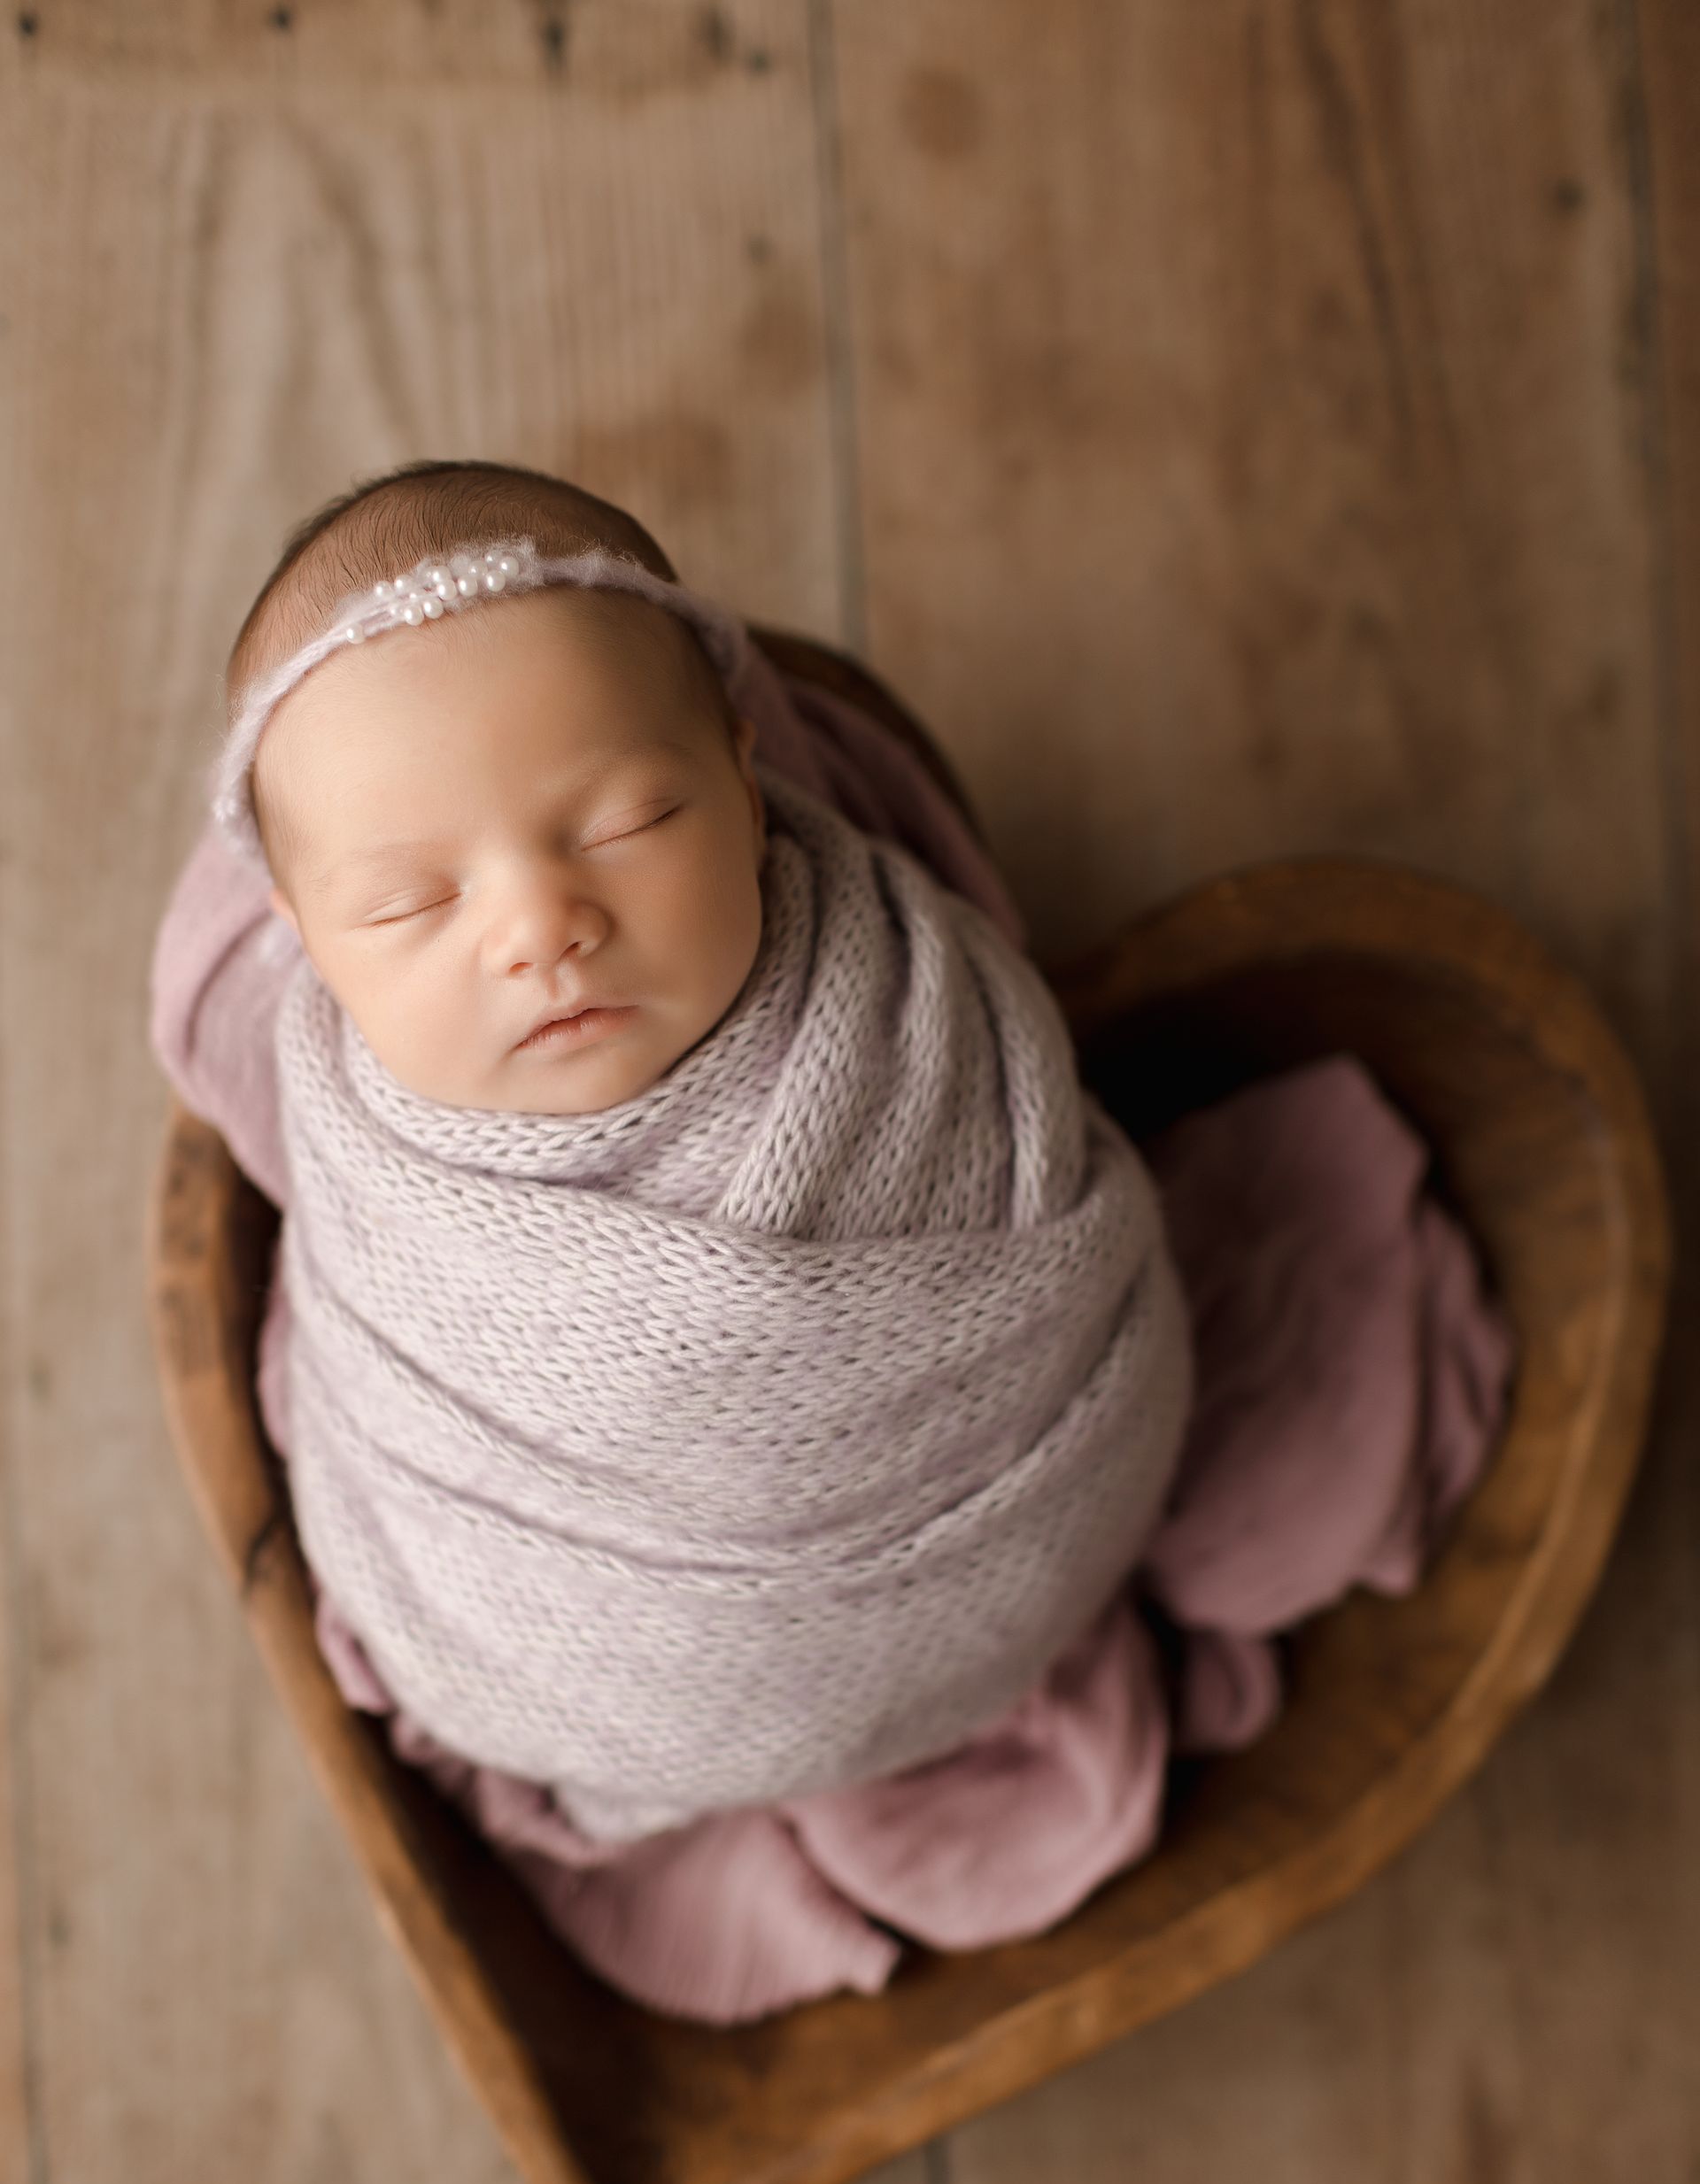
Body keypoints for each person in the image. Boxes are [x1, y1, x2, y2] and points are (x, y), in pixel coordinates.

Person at [151, 459, 1514, 2022]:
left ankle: (946, 1675)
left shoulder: (896, 990)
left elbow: (1042, 1201)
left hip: (1012, 1543)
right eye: (406, 907)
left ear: (747, 767)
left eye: (632, 816)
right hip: (555, 1632)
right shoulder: (345, 1121)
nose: (539, 927)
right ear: (299, 942)